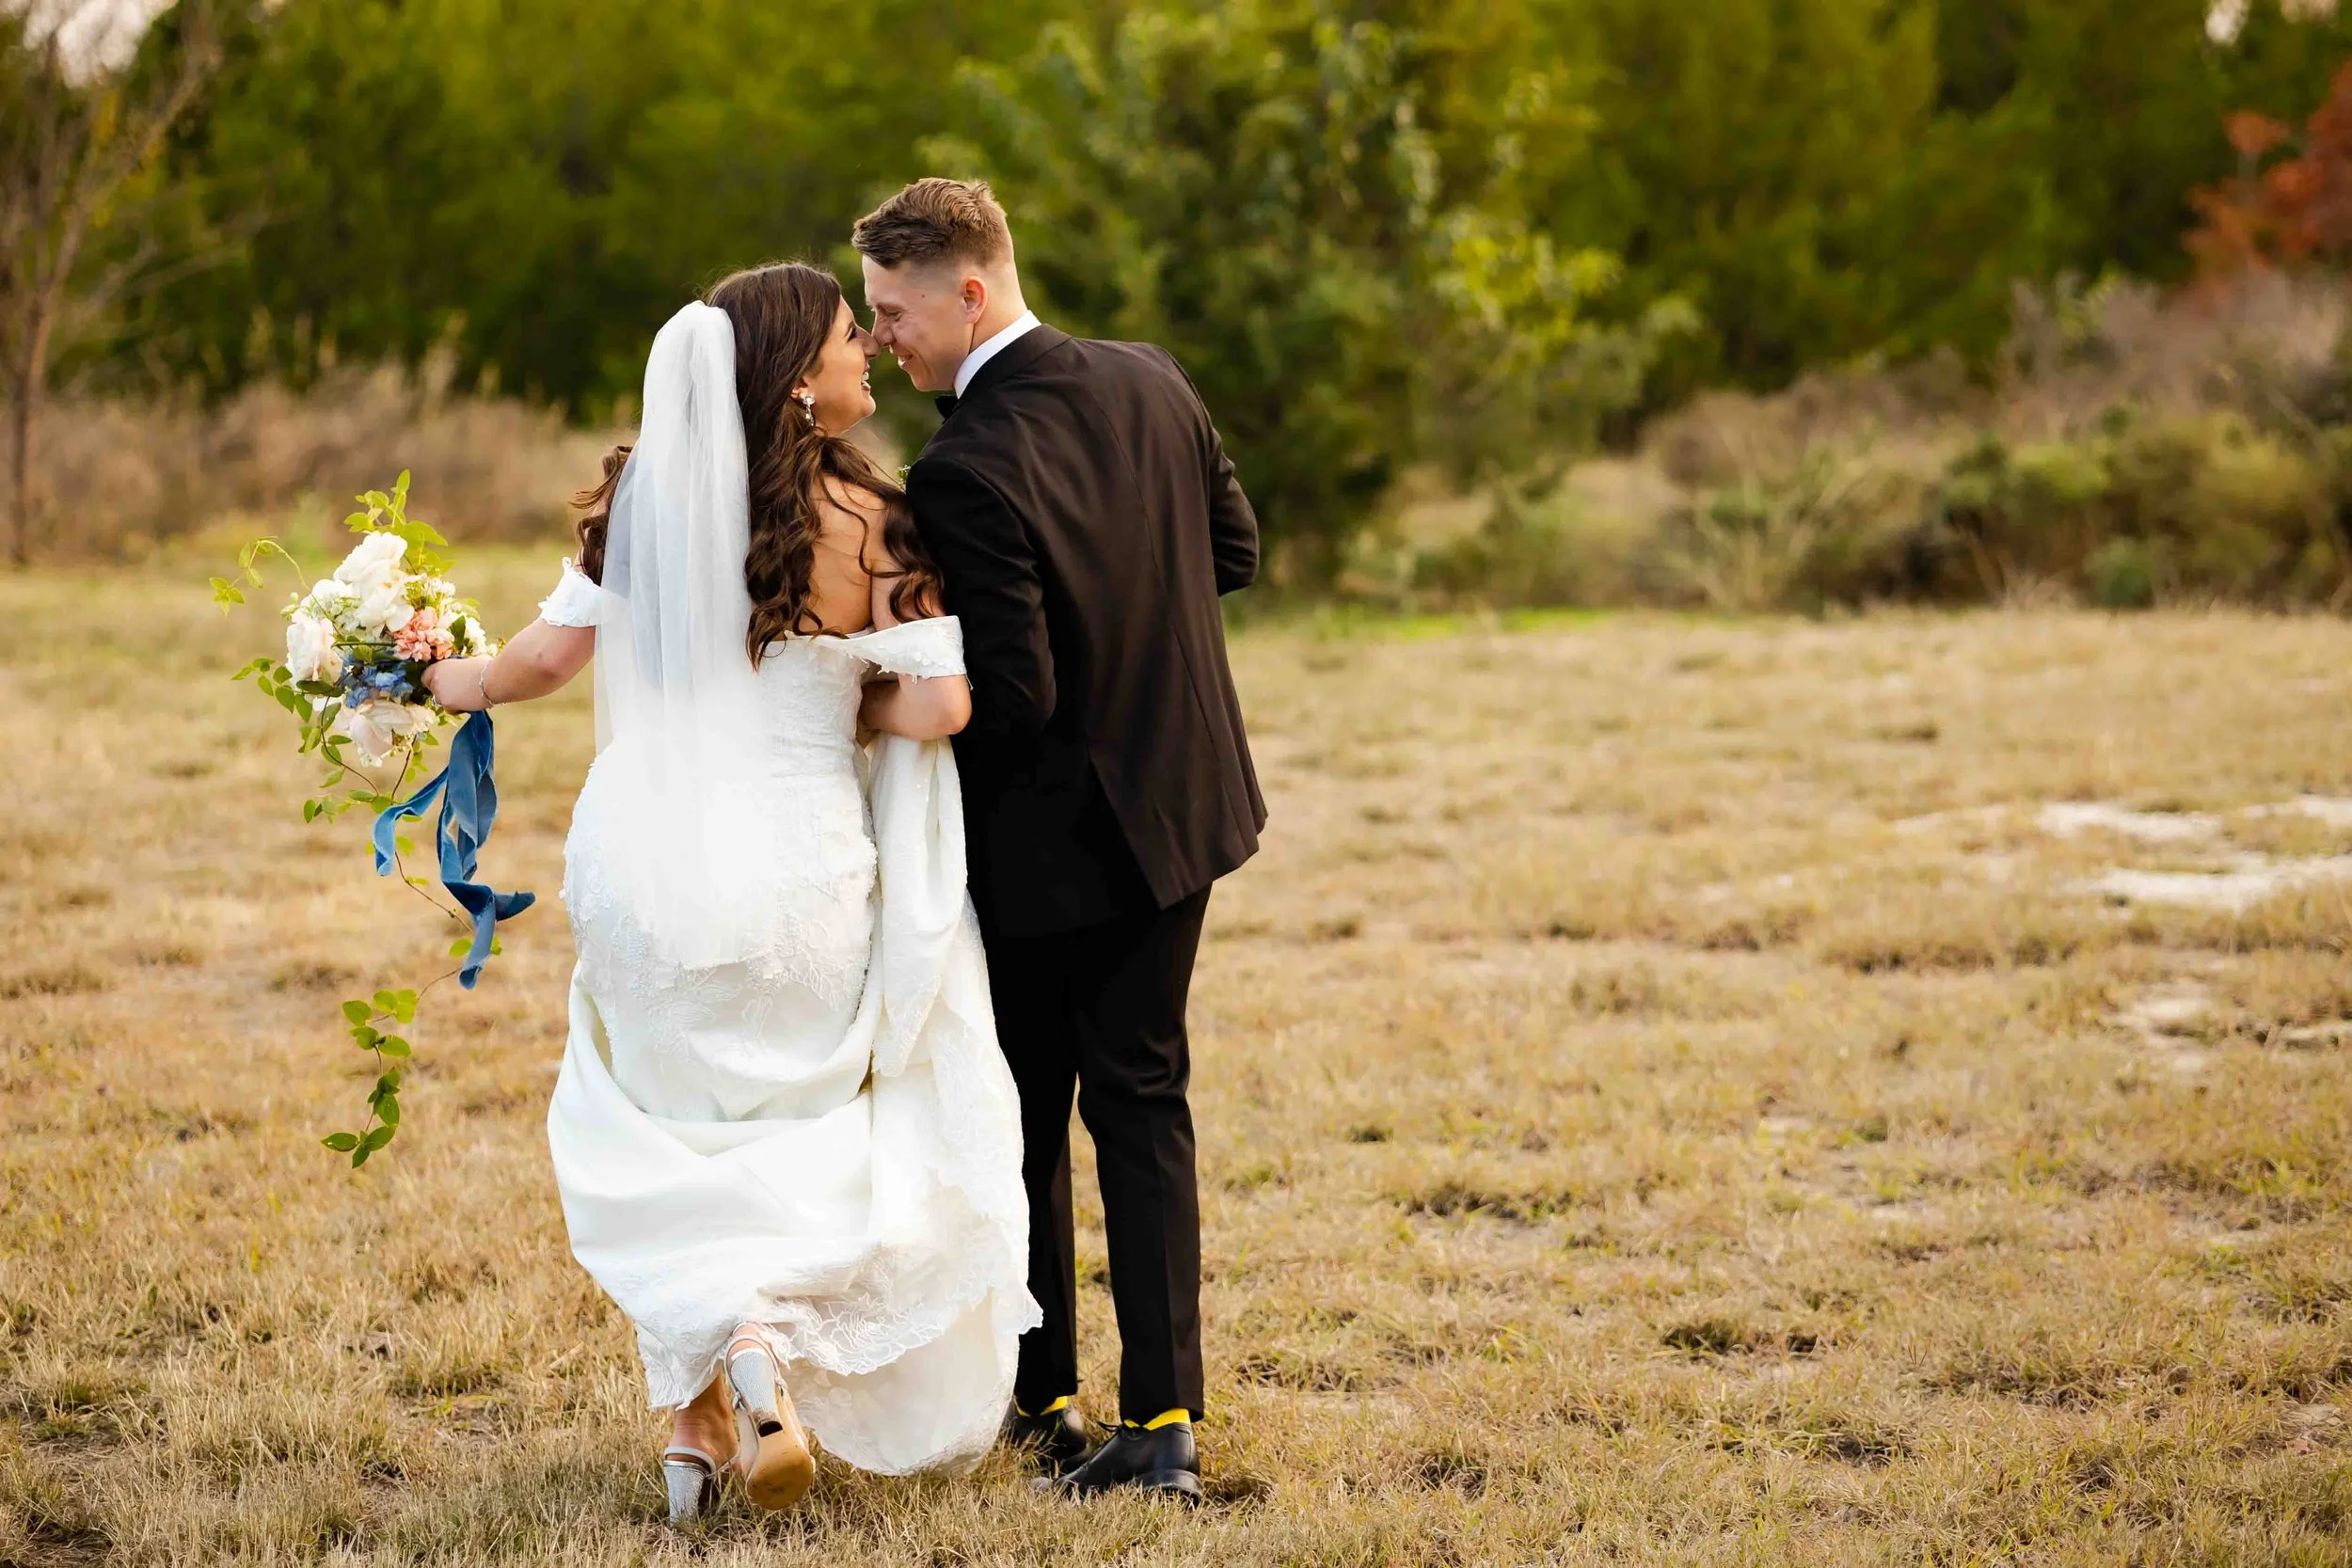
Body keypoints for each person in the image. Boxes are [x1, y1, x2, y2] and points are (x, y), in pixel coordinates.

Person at [421, 261, 1038, 1525]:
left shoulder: (641, 503)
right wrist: (840, 691)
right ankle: (754, 1332)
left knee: (659, 1127)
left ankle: (694, 1430)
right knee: (798, 1126)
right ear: (796, 377)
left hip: (644, 874)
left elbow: (540, 662)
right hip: (798, 883)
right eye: (840, 338)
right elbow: (942, 703)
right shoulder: (876, 519)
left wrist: (423, 679)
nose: (866, 349)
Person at [853, 178, 1263, 1501]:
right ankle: (1155, 1419)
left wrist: (868, 711)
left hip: (1054, 856)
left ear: (968, 292)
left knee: (1025, 1116)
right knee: (1143, 1103)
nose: (880, 342)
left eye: (892, 311)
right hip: (1189, 806)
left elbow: (1015, 699)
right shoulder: (1154, 379)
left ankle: (1051, 1399)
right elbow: (1235, 553)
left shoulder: (965, 465)